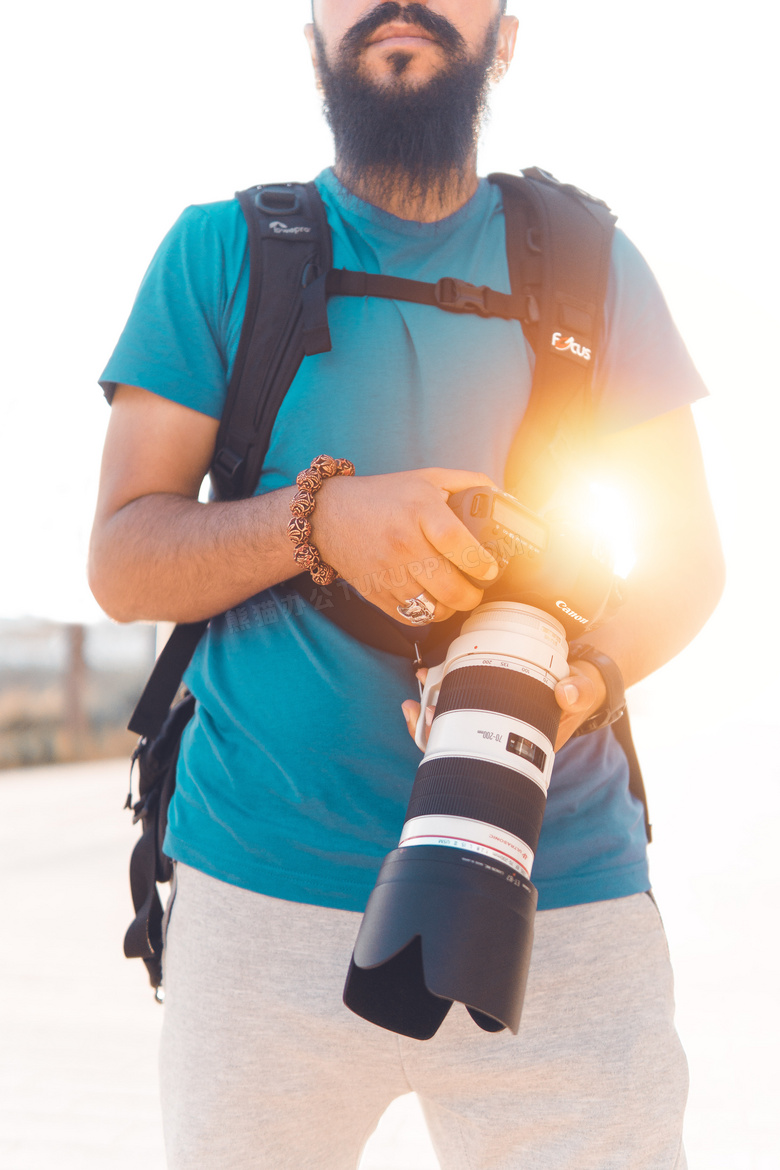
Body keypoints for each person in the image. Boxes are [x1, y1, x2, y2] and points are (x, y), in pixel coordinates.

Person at [89, 2, 724, 1167]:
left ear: (508, 34)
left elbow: (686, 562)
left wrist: (561, 694)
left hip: (564, 894)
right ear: (313, 34)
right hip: (263, 895)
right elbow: (126, 559)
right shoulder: (219, 254)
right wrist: (321, 519)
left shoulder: (596, 265)